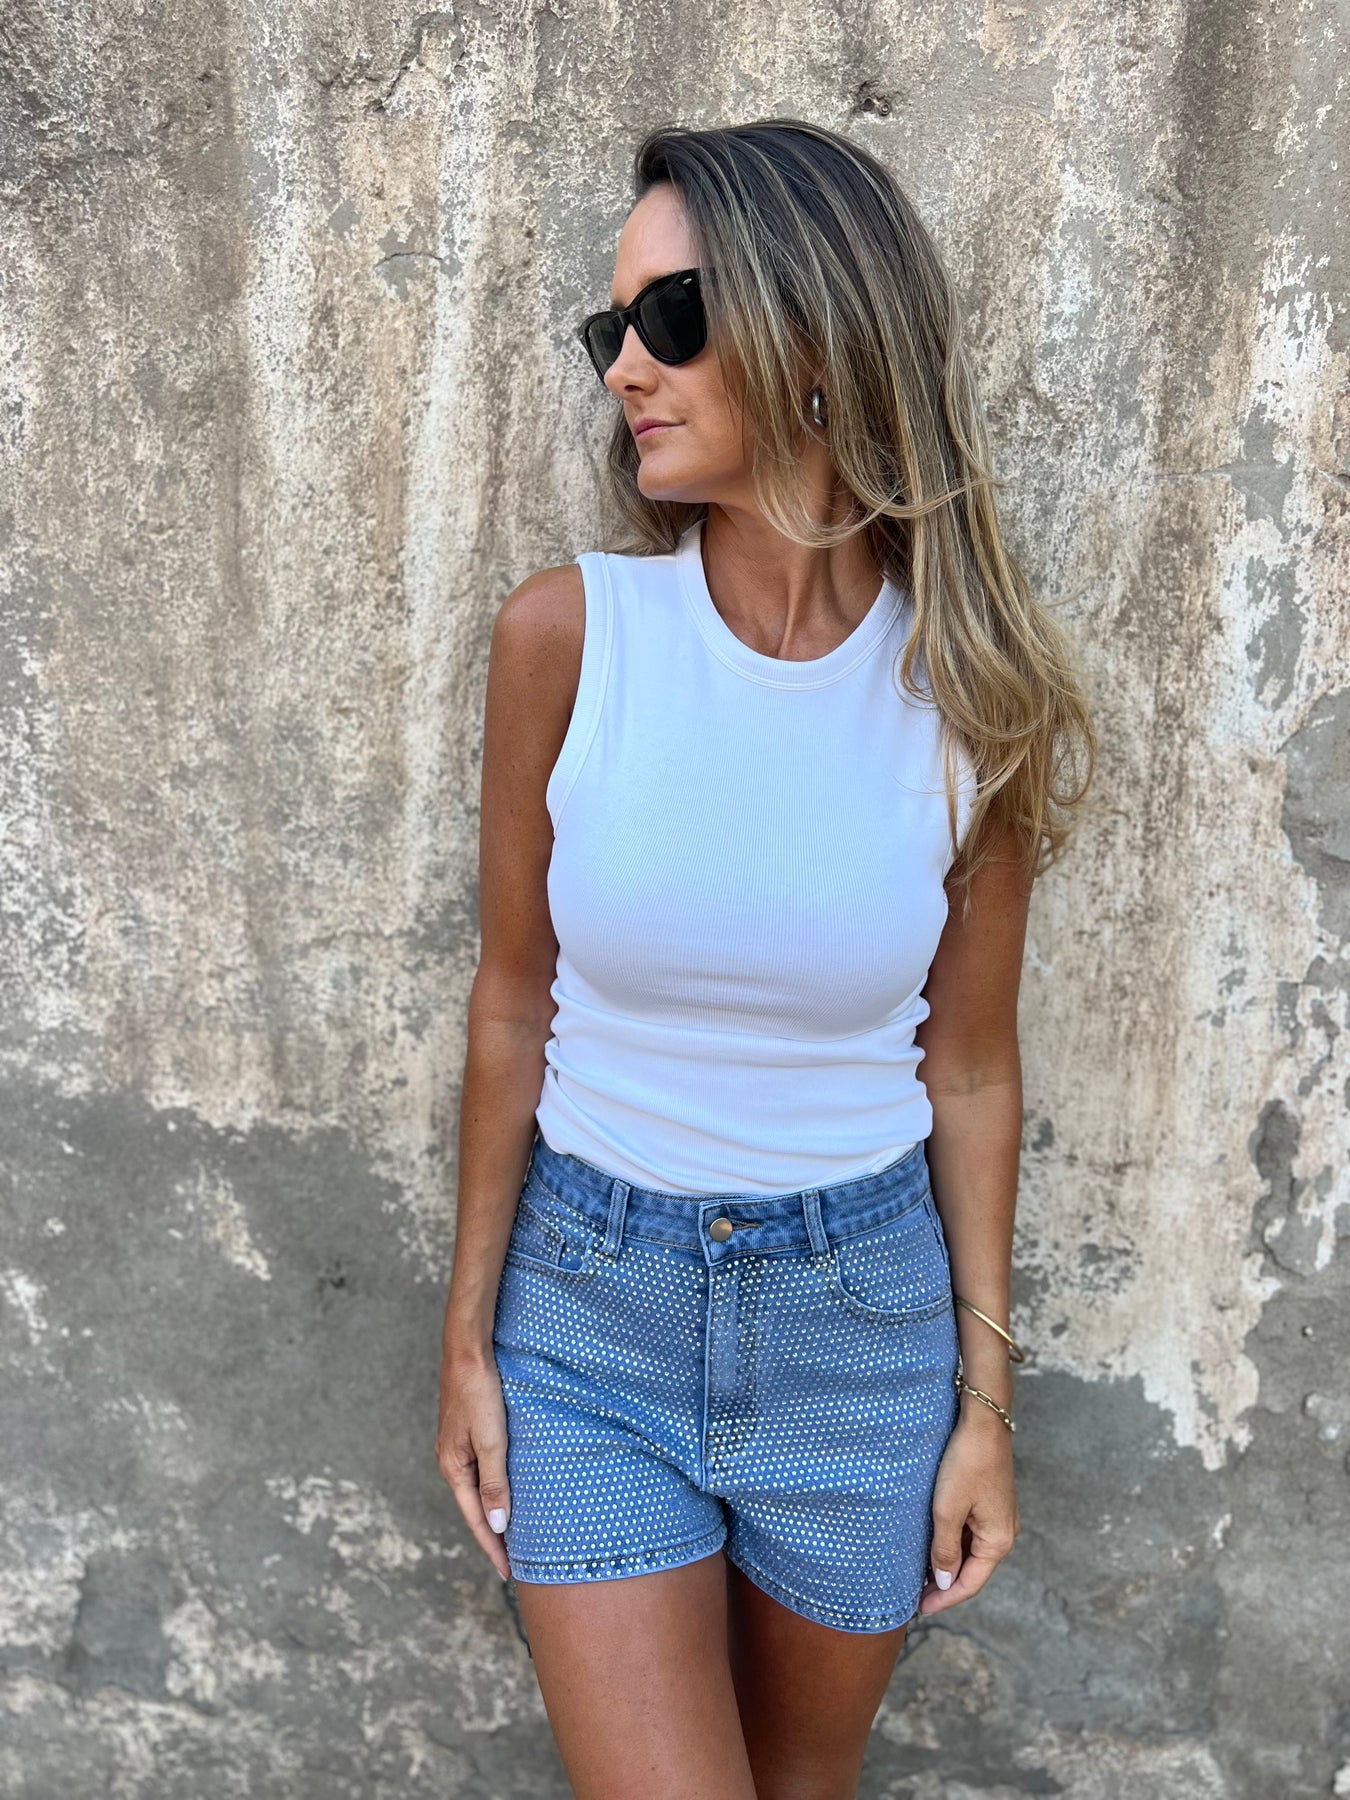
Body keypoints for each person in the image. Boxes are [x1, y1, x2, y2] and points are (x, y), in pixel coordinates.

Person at [437, 117, 1095, 1800]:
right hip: (587, 1317)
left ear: (816, 325)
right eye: (612, 329)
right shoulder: (567, 637)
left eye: (668, 318)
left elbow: (971, 1068)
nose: (624, 370)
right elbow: (512, 1003)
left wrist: (984, 1407)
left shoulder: (973, 699)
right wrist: (466, 1342)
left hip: (858, 1330)